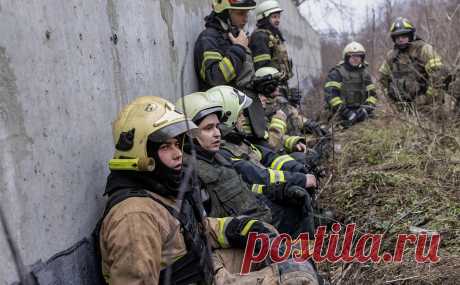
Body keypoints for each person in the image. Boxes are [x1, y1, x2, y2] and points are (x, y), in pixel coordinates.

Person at [99, 96, 319, 284]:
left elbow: (192, 228)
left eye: (177, 143)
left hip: (203, 264)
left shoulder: (159, 190)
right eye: (166, 146)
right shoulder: (135, 218)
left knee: (285, 254)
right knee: (298, 277)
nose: (177, 154)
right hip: (201, 275)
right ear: (141, 153)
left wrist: (240, 227)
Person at [176, 91, 317, 237]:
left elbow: (243, 189)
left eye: (217, 126)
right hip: (249, 234)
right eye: (208, 128)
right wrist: (244, 230)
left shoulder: (216, 157)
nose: (217, 133)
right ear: (188, 133)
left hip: (260, 216)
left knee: (298, 204)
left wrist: (275, 191)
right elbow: (204, 229)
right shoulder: (192, 174)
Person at [194, 0, 268, 142]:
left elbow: (239, 80)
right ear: (224, 13)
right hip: (226, 125)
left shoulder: (234, 36)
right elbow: (215, 78)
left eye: (247, 13)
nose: (245, 18)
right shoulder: (209, 39)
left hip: (247, 118)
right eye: (240, 13)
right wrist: (239, 49)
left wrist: (259, 85)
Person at [378, 17, 449, 113]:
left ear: (411, 35)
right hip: (402, 109)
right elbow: (382, 78)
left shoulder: (424, 49)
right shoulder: (391, 55)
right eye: (397, 37)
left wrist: (426, 98)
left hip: (429, 107)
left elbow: (439, 75)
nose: (400, 39)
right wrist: (392, 101)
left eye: (404, 36)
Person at [324, 41, 378, 128]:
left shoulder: (365, 74)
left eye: (358, 56)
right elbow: (331, 97)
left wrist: (366, 109)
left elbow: (373, 95)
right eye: (352, 56)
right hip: (340, 114)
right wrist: (347, 113)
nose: (356, 59)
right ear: (346, 57)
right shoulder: (336, 73)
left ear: (362, 58)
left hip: (361, 111)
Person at [250, 0, 292, 86]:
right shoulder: (260, 37)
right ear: (264, 18)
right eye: (274, 17)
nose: (278, 20)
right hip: (270, 89)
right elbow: (262, 70)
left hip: (278, 85)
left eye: (278, 17)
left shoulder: (273, 35)